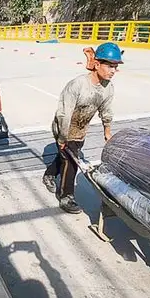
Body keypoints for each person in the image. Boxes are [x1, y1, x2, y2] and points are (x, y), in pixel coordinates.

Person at [43, 41, 123, 214]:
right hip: (63, 127)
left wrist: (107, 131)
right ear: (96, 64)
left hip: (80, 129)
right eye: (109, 66)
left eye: (115, 67)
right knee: (71, 160)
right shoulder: (78, 85)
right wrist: (62, 138)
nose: (113, 71)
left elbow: (106, 110)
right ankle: (66, 197)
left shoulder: (108, 88)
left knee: (66, 156)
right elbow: (64, 114)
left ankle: (49, 175)